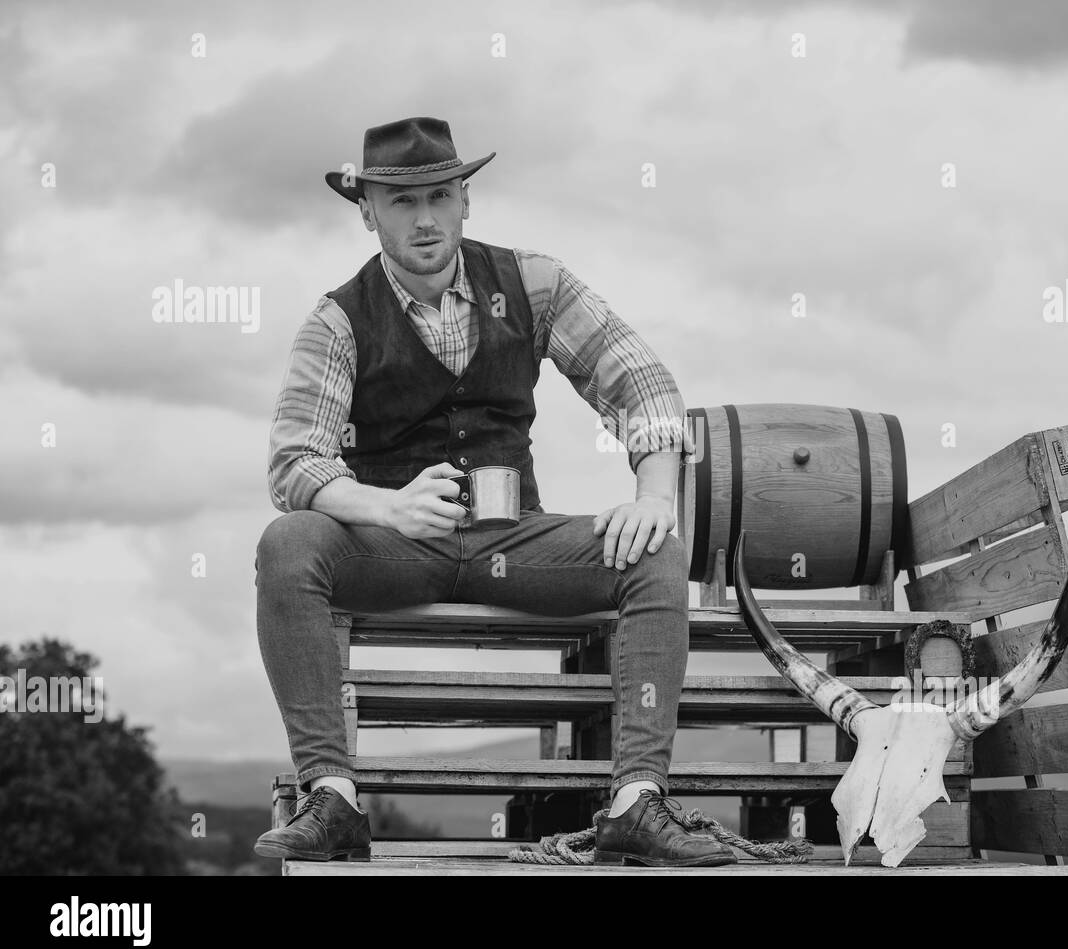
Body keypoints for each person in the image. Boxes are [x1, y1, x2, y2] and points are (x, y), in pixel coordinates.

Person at [251, 117, 735, 867]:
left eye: (440, 196)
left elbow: (642, 381)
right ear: (367, 210)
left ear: (466, 200)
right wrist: (388, 505)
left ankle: (637, 802)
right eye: (401, 201)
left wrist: (656, 492)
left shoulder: (532, 282)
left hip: (517, 541)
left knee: (654, 551)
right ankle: (334, 798)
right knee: (287, 546)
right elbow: (294, 462)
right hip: (396, 547)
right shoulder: (339, 320)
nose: (424, 219)